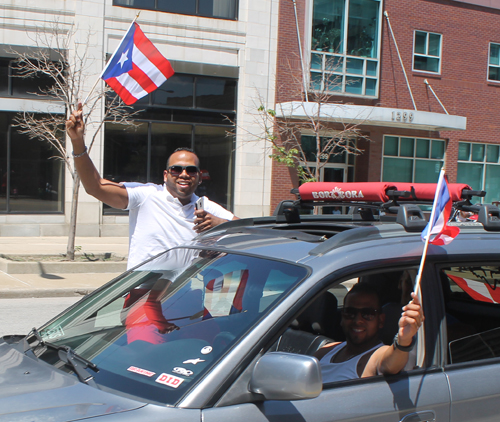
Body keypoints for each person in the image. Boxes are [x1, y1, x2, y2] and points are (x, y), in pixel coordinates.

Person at [66, 103, 238, 269]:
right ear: (165, 175)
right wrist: (77, 142)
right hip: (144, 292)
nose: (184, 174)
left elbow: (250, 230)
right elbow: (95, 187)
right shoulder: (146, 196)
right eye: (176, 169)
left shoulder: (205, 207)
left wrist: (221, 224)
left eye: (191, 170)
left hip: (186, 293)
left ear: (199, 177)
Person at [315, 282, 424, 382]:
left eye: (368, 313)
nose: (358, 320)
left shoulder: (376, 356)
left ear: (380, 320)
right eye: (350, 312)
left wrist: (403, 340)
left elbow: (390, 364)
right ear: (342, 317)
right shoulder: (327, 350)